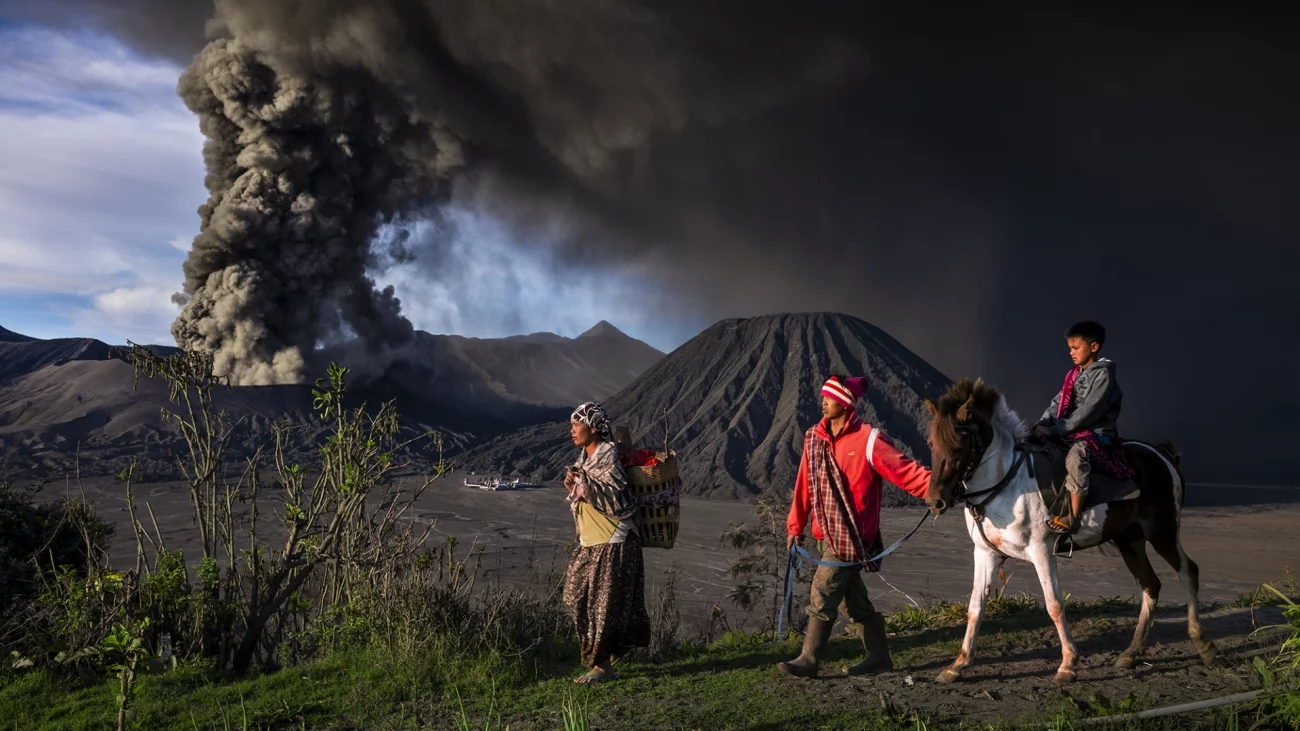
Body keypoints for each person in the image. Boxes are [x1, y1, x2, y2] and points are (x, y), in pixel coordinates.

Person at [779, 375, 933, 678]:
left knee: (823, 589)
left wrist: (937, 489)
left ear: (845, 403)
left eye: (829, 396)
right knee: (853, 601)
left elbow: (904, 470)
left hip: (852, 536)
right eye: (823, 395)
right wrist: (795, 525)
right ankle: (879, 658)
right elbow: (804, 485)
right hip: (824, 535)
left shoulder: (869, 439)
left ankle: (809, 658)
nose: (823, 400)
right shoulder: (814, 437)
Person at [561, 401, 650, 684]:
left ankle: (602, 668)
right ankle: (605, 660)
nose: (572, 430)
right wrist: (574, 482)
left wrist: (583, 484)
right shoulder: (584, 459)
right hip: (591, 543)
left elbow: (620, 501)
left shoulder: (608, 455)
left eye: (577, 425)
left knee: (603, 607)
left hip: (614, 542)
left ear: (593, 427)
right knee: (575, 598)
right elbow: (586, 491)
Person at [1032, 320, 1134, 535]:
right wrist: (1042, 424)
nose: (1071, 352)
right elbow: (1057, 403)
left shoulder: (1104, 376)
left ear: (1094, 347)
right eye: (1070, 348)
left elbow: (1089, 411)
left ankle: (1074, 517)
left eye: (1076, 347)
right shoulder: (1074, 375)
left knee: (1076, 456)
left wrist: (1056, 430)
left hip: (1096, 434)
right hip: (1070, 429)